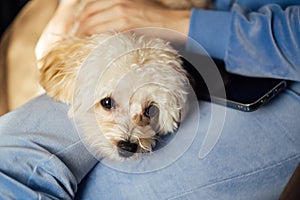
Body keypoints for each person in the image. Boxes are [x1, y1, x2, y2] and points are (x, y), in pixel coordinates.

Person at [0, 0, 300, 199]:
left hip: (284, 70)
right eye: (107, 104)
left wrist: (177, 21)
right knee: (10, 159)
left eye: (148, 111)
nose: (130, 135)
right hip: (186, 22)